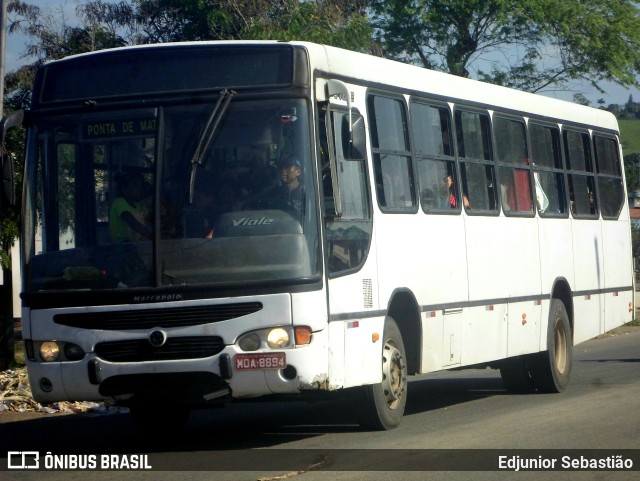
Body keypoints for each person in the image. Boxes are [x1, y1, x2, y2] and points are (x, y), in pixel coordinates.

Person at [109, 174, 152, 243]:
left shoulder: (139, 205)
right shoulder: (119, 202)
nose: (139, 190)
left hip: (135, 244)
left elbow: (149, 219)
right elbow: (132, 221)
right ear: (125, 190)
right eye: (135, 187)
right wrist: (150, 235)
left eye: (140, 188)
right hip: (120, 247)